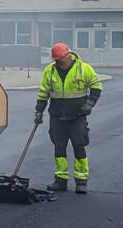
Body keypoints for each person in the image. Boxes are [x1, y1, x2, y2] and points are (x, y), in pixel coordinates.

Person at [35, 42, 103, 194]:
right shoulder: (50, 71)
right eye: (56, 60)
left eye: (60, 59)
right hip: (57, 116)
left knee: (79, 146)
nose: (58, 62)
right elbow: (43, 92)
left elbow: (97, 86)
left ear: (68, 55)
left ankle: (81, 181)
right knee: (59, 147)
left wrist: (89, 104)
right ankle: (61, 180)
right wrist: (39, 111)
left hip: (77, 116)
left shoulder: (83, 68)